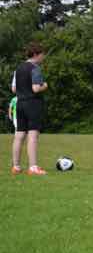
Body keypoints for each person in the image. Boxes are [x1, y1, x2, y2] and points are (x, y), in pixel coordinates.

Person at [11, 42, 48, 175]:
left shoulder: (18, 68)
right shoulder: (35, 68)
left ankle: (16, 167)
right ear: (36, 54)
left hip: (20, 104)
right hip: (32, 104)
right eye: (42, 54)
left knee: (19, 135)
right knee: (33, 135)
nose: (43, 57)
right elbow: (36, 88)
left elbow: (13, 89)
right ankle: (33, 167)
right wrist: (45, 85)